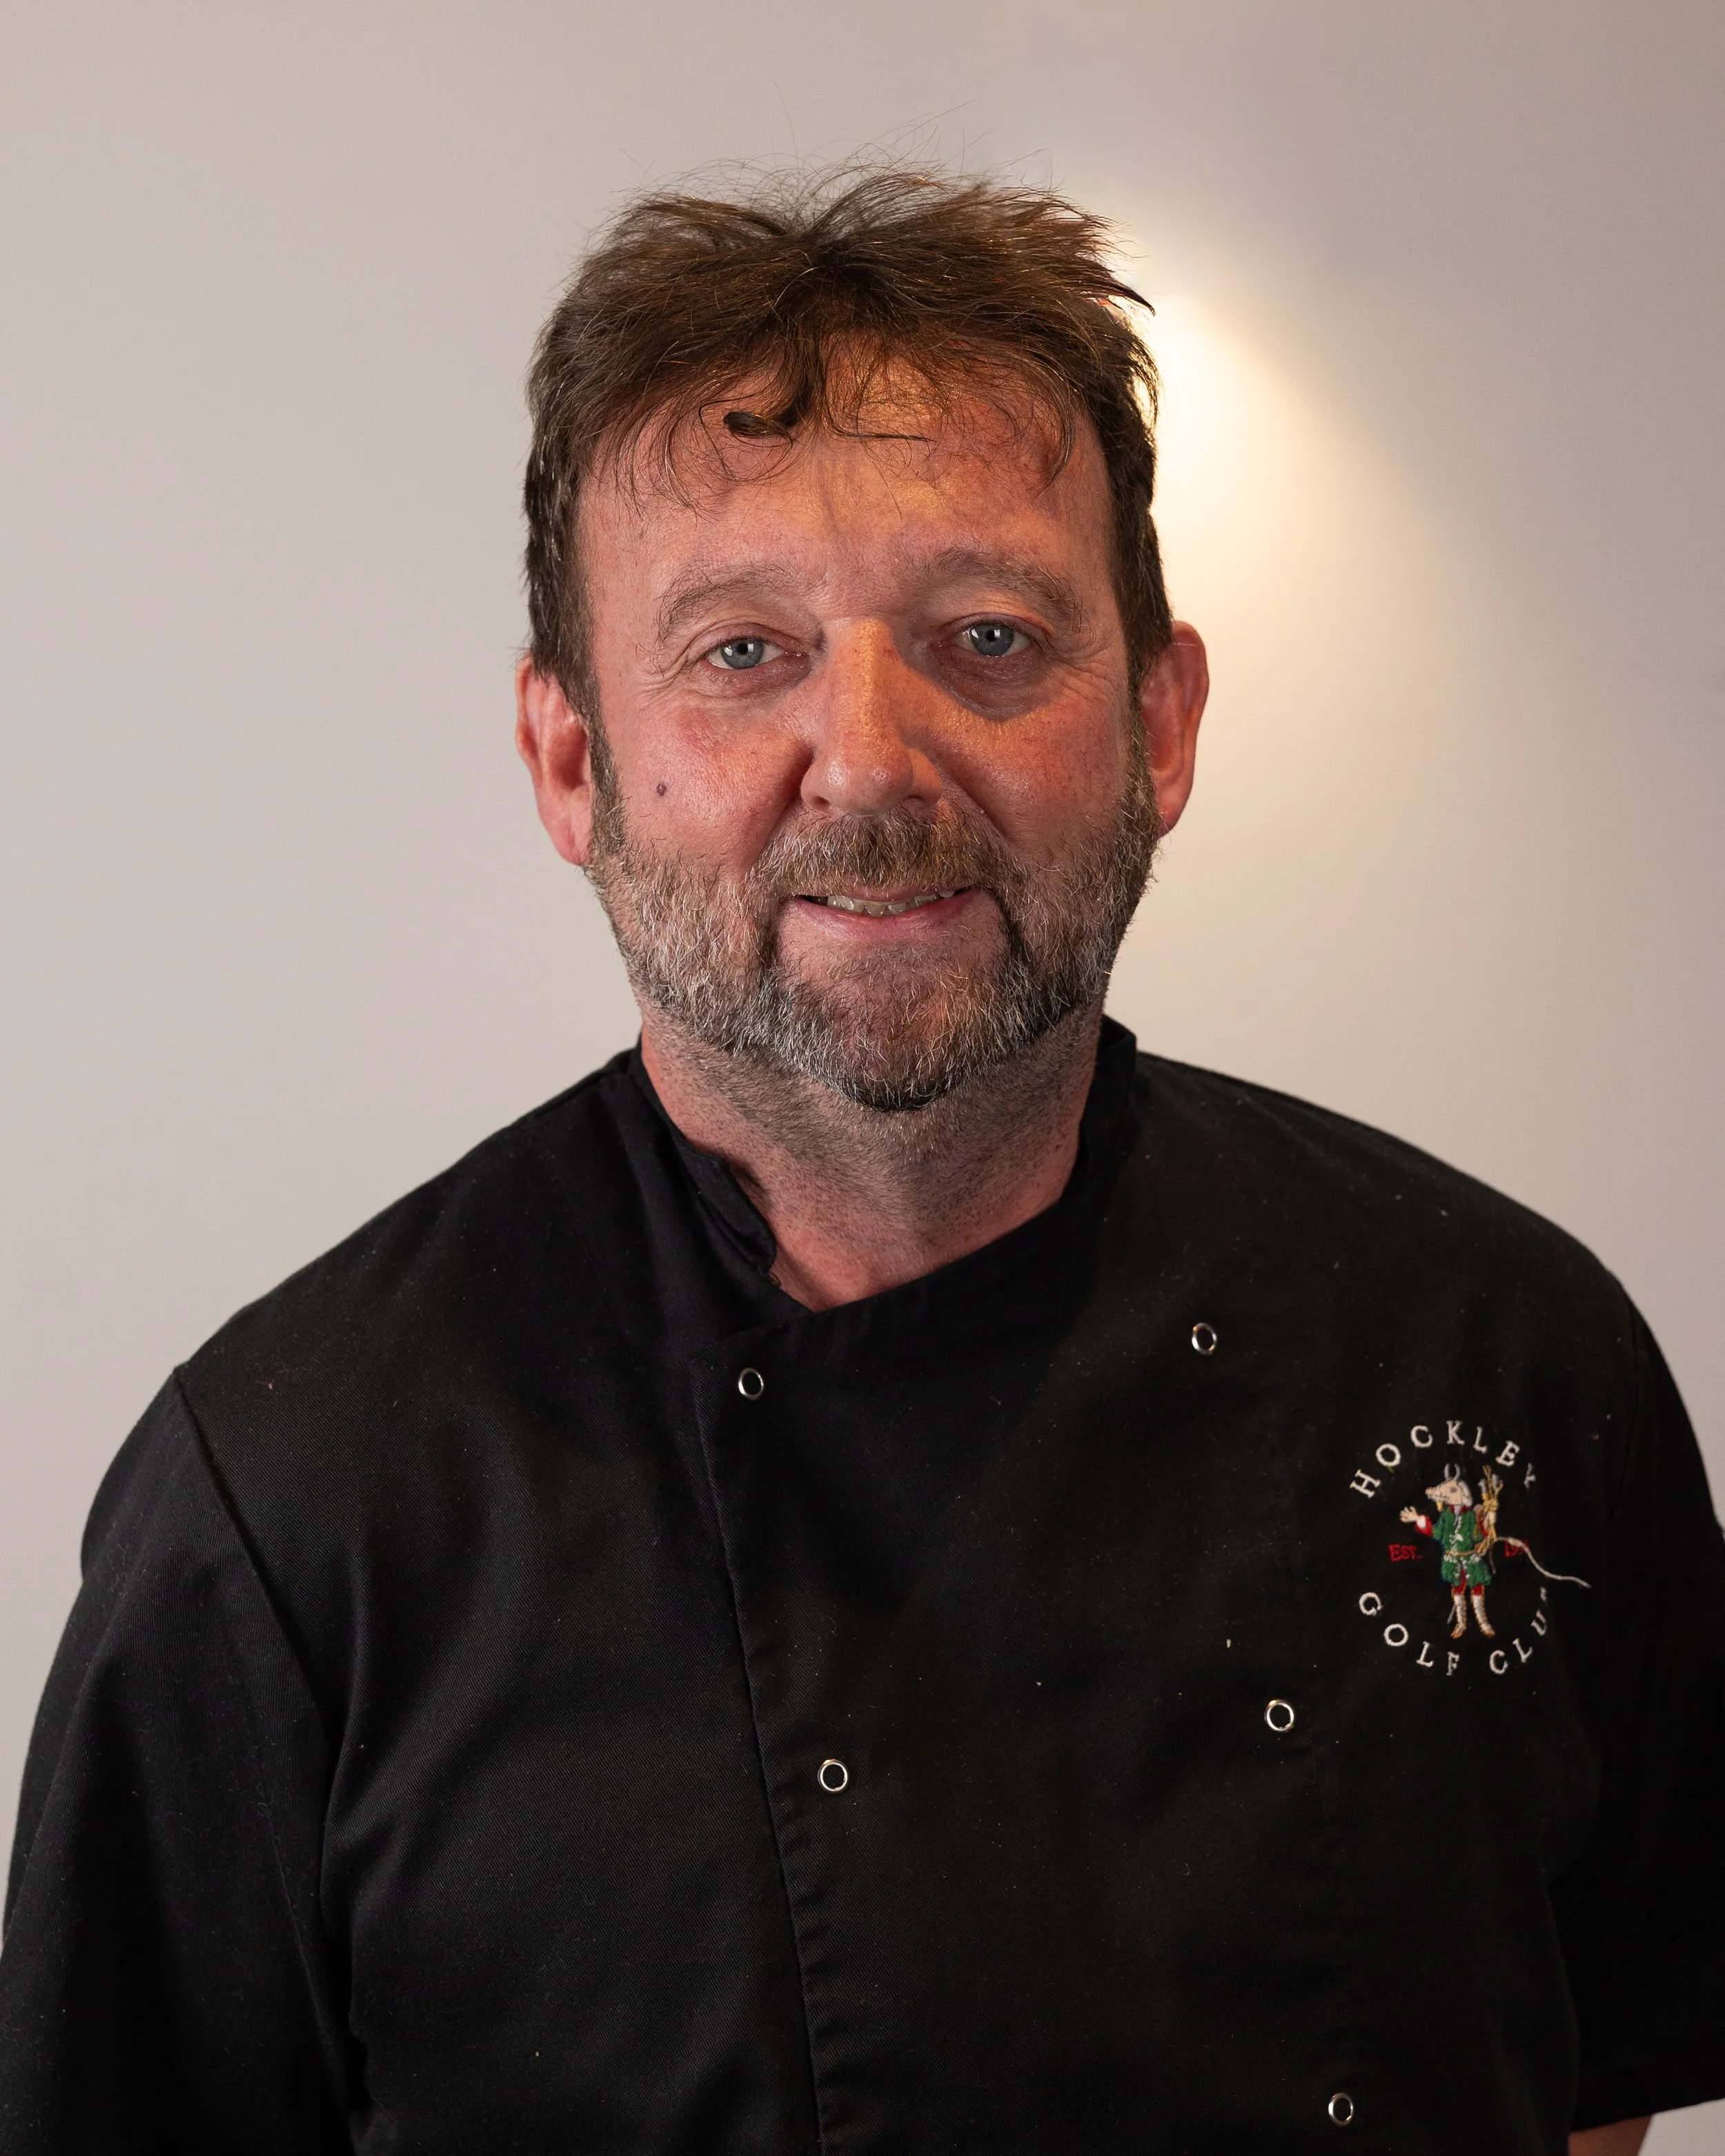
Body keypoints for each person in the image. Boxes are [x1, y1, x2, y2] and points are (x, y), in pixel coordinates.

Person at [1, 168, 1720, 2156]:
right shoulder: (290, 1508)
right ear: (572, 765)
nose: (877, 758)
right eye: (741, 654)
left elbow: (1591, 2096)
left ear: (1158, 724)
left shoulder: (1499, 1355)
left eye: (990, 635)